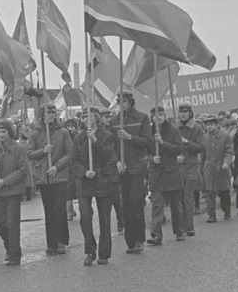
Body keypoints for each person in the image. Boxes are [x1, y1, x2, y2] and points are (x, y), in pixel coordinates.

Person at [70, 108, 116, 265]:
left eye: (89, 116)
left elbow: (107, 156)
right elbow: (74, 161)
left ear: (96, 118)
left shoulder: (107, 136)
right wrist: (84, 172)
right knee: (85, 217)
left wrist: (95, 140)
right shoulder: (78, 138)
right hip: (86, 181)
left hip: (103, 178)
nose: (86, 118)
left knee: (104, 219)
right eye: (84, 116)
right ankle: (90, 250)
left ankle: (104, 253)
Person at [27, 103, 73, 255]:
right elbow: (29, 153)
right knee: (49, 210)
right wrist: (43, 151)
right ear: (42, 115)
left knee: (59, 209)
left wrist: (57, 166)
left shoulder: (63, 132)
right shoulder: (35, 133)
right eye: (48, 113)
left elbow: (69, 153)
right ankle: (51, 242)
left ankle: (61, 241)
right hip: (43, 176)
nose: (51, 115)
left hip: (59, 176)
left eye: (53, 113)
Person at [110, 91, 152, 254]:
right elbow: (111, 146)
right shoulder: (114, 121)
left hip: (137, 166)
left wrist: (130, 137)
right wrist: (117, 161)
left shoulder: (142, 118)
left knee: (136, 201)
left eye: (125, 101)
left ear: (131, 102)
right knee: (126, 204)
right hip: (123, 168)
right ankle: (131, 241)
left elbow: (148, 142)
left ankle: (139, 239)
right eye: (119, 101)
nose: (122, 104)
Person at [0, 119, 29, 266]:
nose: (1, 135)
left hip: (13, 191)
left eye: (4, 132)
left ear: (10, 133)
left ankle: (15, 254)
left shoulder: (19, 149)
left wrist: (5, 181)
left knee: (12, 224)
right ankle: (10, 245)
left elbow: (22, 170)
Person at [146, 107, 185, 245]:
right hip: (156, 173)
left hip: (171, 172)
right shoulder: (148, 132)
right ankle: (156, 235)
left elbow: (178, 149)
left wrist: (163, 143)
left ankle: (179, 231)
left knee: (175, 205)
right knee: (157, 205)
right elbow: (143, 152)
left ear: (165, 116)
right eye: (156, 115)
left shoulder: (174, 131)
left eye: (161, 114)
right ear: (152, 117)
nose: (159, 117)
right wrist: (152, 158)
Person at [176, 104, 205, 237]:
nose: (183, 114)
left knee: (188, 196)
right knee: (179, 197)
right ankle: (180, 227)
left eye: (185, 112)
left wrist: (187, 142)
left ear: (190, 113)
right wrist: (175, 155)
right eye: (181, 112)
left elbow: (201, 148)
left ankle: (189, 227)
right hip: (177, 166)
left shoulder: (197, 128)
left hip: (191, 166)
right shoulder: (174, 128)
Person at [202, 115, 234, 222]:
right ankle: (211, 215)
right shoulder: (204, 138)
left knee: (224, 191)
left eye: (211, 124)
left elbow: (229, 151)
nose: (209, 127)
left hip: (222, 167)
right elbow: (202, 154)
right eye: (207, 125)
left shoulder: (225, 136)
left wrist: (226, 162)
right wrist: (202, 168)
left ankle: (227, 211)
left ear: (216, 125)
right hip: (209, 167)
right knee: (209, 192)